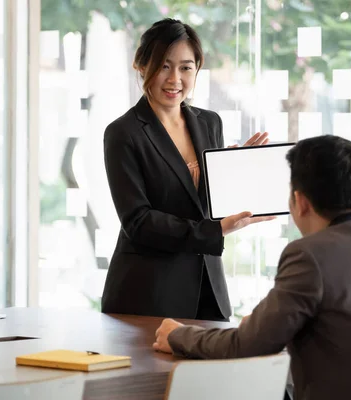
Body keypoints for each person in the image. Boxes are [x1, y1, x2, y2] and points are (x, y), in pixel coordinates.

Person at [154, 135, 351, 400]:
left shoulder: (310, 255)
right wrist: (262, 327)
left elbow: (248, 346)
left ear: (299, 202)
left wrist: (178, 335)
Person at [101, 18, 272, 320]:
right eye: (164, 66)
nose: (175, 79)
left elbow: (206, 206)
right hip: (148, 294)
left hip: (209, 289)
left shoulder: (209, 123)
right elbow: (138, 221)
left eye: (186, 67)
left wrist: (240, 172)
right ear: (141, 66)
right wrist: (215, 230)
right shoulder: (123, 133)